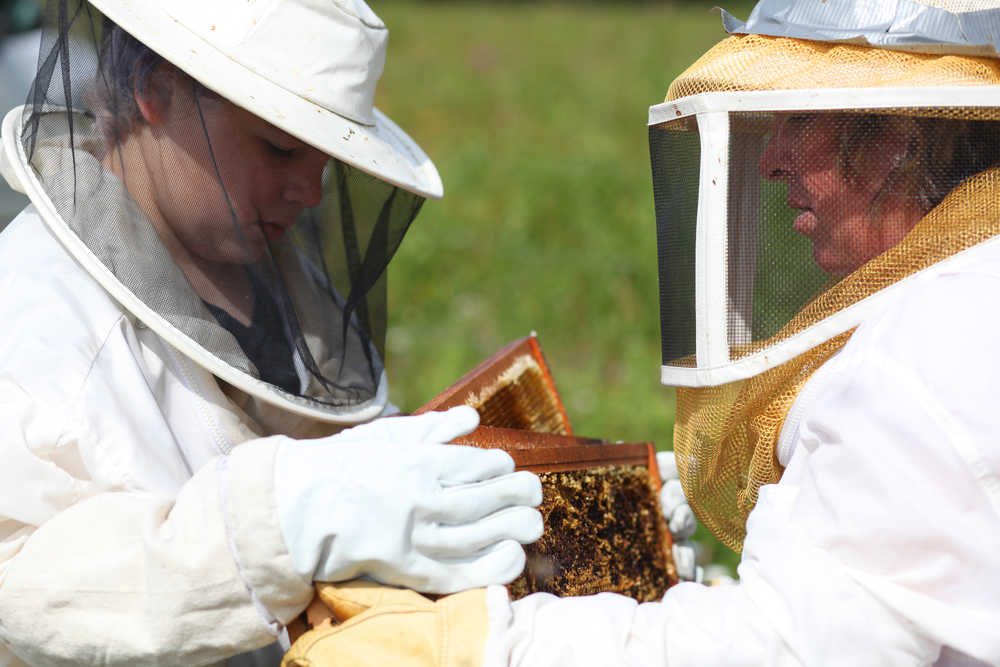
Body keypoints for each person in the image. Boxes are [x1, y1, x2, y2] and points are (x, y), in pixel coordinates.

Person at [279, 1, 1000, 665]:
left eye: (800, 121)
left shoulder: (922, 358)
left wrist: (478, 644)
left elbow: (790, 647)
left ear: (896, 139)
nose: (773, 158)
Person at [0, 1, 544, 664]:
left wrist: (519, 498)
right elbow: (25, 583)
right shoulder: (35, 324)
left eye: (324, 160)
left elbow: (348, 478)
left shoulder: (271, 277)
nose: (311, 192)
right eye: (280, 148)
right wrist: (280, 522)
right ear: (154, 87)